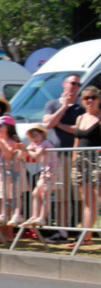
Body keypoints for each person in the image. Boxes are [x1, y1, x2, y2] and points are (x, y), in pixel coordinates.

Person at [70, 86, 101, 247]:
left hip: (98, 159)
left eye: (93, 97)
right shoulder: (80, 118)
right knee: (88, 201)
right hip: (81, 161)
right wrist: (74, 160)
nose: (89, 100)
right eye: (86, 98)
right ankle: (86, 237)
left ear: (98, 99)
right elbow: (77, 141)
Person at [43, 74, 85, 148]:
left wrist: (59, 125)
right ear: (64, 84)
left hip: (76, 150)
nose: (76, 86)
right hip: (56, 151)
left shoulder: (84, 105)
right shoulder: (52, 104)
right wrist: (64, 106)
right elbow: (48, 124)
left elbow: (81, 129)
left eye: (78, 84)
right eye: (73, 83)